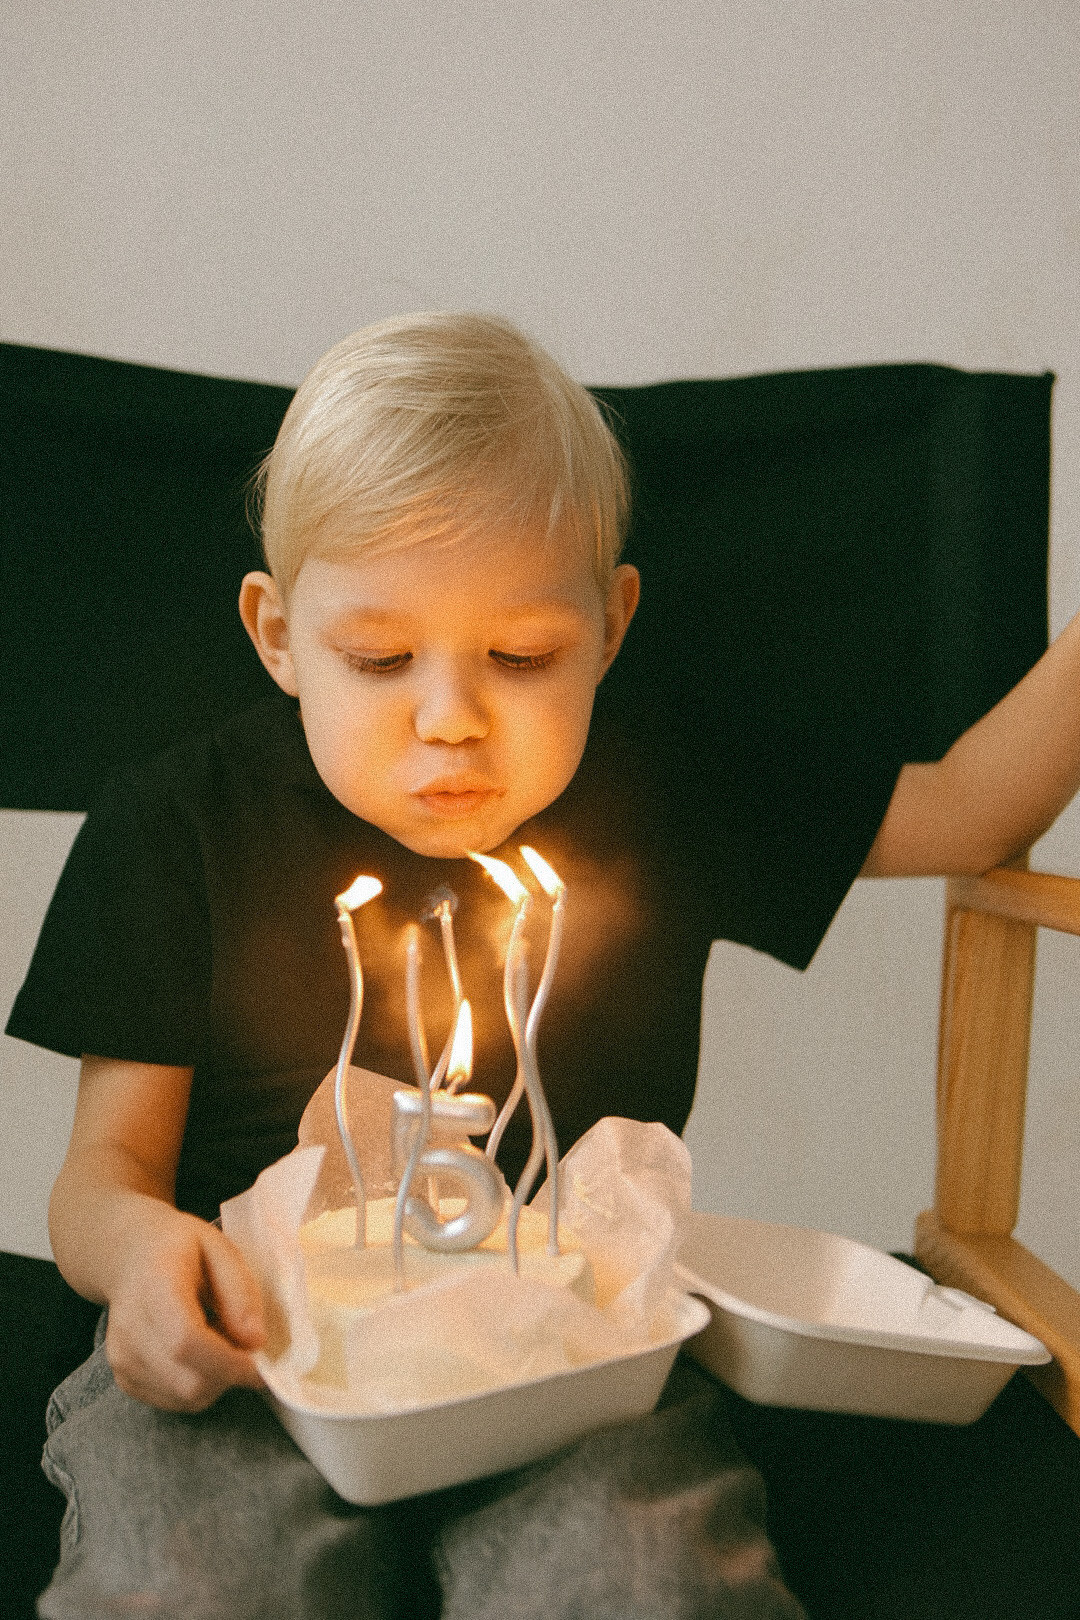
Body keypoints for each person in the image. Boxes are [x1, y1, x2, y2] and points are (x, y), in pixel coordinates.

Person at [8, 312, 1080, 1620]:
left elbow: (970, 811)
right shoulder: (177, 826)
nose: (450, 717)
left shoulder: (657, 794)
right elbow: (100, 1179)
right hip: (237, 1360)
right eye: (380, 657)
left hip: (559, 1353)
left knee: (635, 1574)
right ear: (279, 635)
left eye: (520, 656)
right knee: (189, 1584)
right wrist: (141, 1264)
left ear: (612, 623)